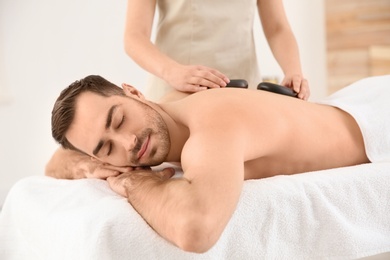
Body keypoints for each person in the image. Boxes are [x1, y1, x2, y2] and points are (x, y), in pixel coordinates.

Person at [46, 75, 390, 253]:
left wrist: (135, 182)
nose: (128, 144)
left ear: (134, 92)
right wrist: (88, 168)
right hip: (351, 101)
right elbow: (55, 163)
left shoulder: (210, 129)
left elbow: (197, 231)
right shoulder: (168, 109)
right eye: (106, 148)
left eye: (119, 120)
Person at [124, 0, 310, 101]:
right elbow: (134, 36)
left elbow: (277, 28)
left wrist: (294, 71)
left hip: (244, 87)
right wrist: (172, 71)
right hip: (178, 88)